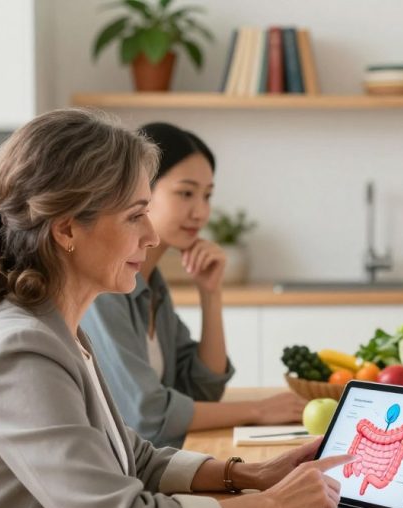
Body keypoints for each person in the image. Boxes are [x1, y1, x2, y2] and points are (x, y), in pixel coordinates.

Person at [0, 109, 353, 508]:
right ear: (67, 228)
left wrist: (250, 474)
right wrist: (274, 506)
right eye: (136, 215)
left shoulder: (57, 329)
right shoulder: (22, 352)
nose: (152, 235)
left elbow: (129, 456)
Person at [81, 122, 305, 448]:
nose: (201, 212)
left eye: (207, 196)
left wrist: (210, 293)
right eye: (186, 193)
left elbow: (202, 390)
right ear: (140, 192)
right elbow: (148, 415)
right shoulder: (104, 290)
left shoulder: (153, 285)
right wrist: (256, 410)